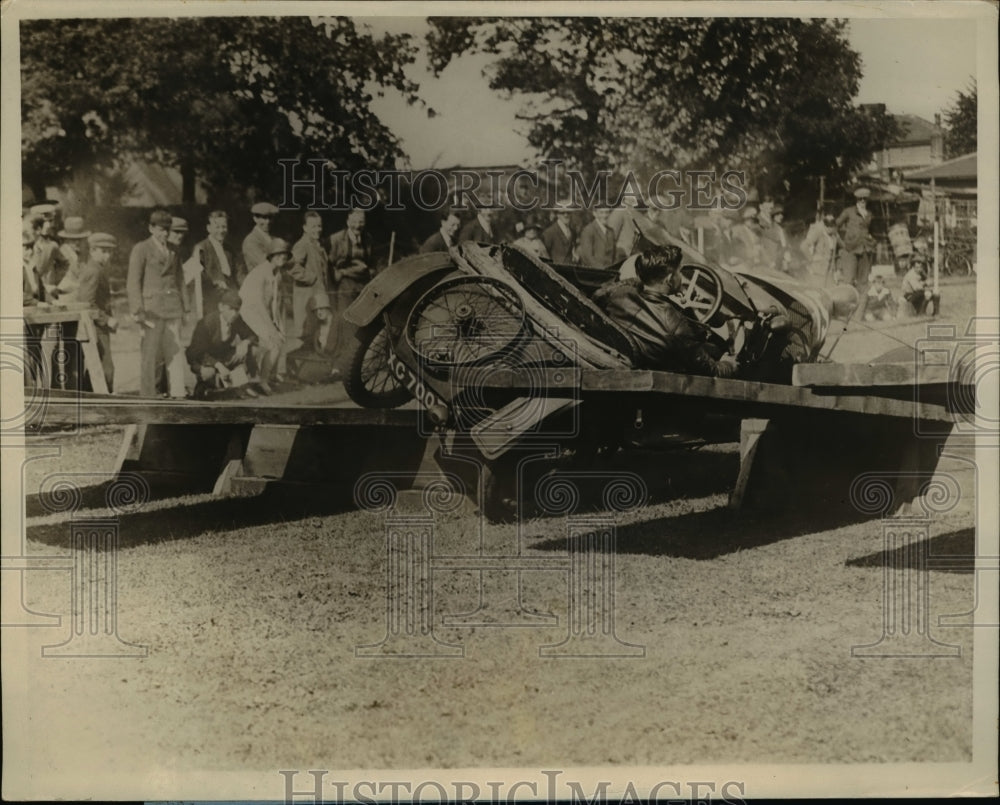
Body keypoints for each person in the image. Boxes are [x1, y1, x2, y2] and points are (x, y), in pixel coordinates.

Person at [593, 245, 737, 377]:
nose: (681, 277)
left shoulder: (618, 295)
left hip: (645, 354)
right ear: (669, 279)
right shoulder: (676, 325)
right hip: (671, 370)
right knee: (720, 350)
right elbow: (712, 371)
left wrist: (676, 289)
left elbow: (628, 284)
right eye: (679, 273)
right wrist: (728, 364)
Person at [127, 209, 188, 398]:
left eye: (167, 229)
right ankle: (148, 395)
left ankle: (178, 392)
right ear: (151, 228)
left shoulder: (174, 250)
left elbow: (180, 280)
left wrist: (185, 308)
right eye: (161, 229)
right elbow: (133, 281)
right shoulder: (141, 249)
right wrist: (138, 309)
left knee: (175, 352)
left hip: (172, 308)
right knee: (150, 354)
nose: (165, 234)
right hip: (151, 310)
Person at [239, 237, 292, 394]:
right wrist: (271, 328)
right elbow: (259, 305)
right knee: (272, 342)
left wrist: (280, 327)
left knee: (279, 340)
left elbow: (277, 303)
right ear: (271, 255)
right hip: (248, 314)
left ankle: (268, 377)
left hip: (262, 314)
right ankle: (262, 381)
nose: (282, 258)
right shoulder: (260, 273)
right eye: (278, 254)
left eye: (284, 255)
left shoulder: (278, 274)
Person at [186, 290, 258, 399]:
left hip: (222, 355)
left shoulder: (237, 319)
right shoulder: (206, 323)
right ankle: (204, 386)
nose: (234, 313)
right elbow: (197, 353)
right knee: (208, 374)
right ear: (221, 307)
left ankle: (239, 385)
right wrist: (218, 365)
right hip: (202, 359)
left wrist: (245, 343)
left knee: (253, 349)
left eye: (237, 310)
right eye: (231, 309)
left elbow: (252, 335)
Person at [328, 208, 374, 369]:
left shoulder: (368, 238)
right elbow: (330, 265)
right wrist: (343, 274)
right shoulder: (336, 239)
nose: (357, 225)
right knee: (344, 320)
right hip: (344, 285)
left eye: (361, 221)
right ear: (348, 222)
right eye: (354, 222)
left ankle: (356, 362)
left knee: (361, 321)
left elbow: (369, 264)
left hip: (362, 285)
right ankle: (338, 363)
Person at [75, 232, 119, 391]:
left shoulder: (97, 268)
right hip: (95, 326)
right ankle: (103, 404)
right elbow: (86, 303)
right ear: (92, 250)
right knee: (106, 369)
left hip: (97, 325)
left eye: (110, 251)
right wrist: (107, 319)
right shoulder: (94, 270)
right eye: (104, 251)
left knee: (98, 367)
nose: (108, 255)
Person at [193, 210, 242, 318]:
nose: (221, 231)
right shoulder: (201, 248)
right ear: (209, 228)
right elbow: (199, 275)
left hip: (231, 296)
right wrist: (215, 282)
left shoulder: (230, 249)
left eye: (224, 227)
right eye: (217, 227)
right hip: (212, 298)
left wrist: (243, 289)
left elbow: (239, 272)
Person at [285, 291, 340, 383]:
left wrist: (337, 366)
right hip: (322, 358)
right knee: (297, 365)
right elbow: (310, 344)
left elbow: (346, 349)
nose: (319, 312)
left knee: (305, 374)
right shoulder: (318, 324)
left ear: (328, 308)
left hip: (336, 361)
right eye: (316, 310)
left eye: (321, 308)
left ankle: (332, 374)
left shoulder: (339, 322)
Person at [290, 211, 329, 341]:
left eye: (319, 226)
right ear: (305, 228)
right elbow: (292, 268)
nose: (317, 230)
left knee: (319, 333)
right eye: (313, 226)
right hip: (307, 298)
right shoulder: (302, 245)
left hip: (318, 297)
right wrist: (312, 278)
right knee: (308, 334)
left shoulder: (318, 245)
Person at [835, 187, 873, 288]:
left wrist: (872, 241)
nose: (863, 201)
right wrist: (842, 244)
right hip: (851, 249)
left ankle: (861, 303)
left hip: (865, 249)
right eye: (860, 199)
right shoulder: (849, 212)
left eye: (865, 199)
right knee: (849, 279)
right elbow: (835, 226)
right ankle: (848, 302)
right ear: (856, 200)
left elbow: (871, 231)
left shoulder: (869, 214)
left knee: (863, 281)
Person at [801, 213, 839, 279]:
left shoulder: (834, 237)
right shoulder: (819, 233)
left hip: (829, 273)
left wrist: (835, 270)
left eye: (831, 225)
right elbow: (803, 246)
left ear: (834, 225)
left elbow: (841, 249)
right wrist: (811, 258)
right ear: (824, 225)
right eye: (827, 224)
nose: (829, 227)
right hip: (817, 270)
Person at [242, 201, 278, 270]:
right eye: (264, 218)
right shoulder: (251, 241)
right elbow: (265, 265)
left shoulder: (274, 239)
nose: (267, 222)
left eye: (270, 218)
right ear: (255, 219)